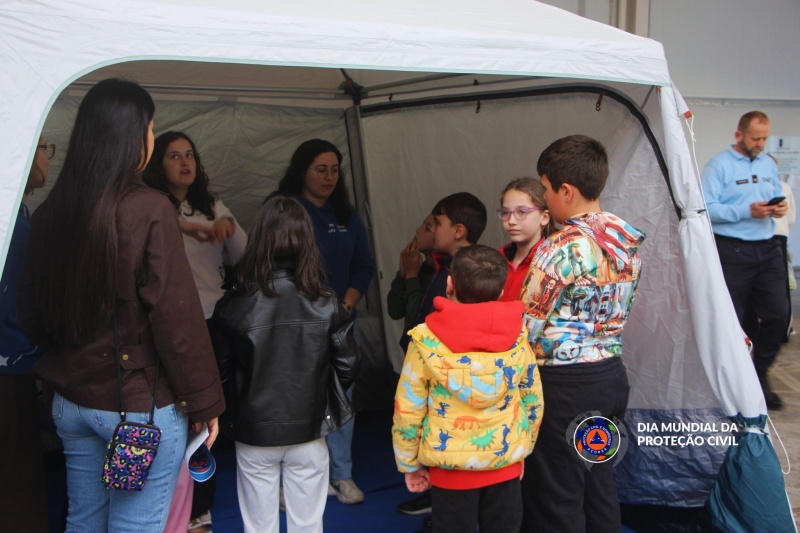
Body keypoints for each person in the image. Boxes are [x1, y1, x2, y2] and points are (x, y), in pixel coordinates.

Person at [18, 78, 225, 533]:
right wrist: (205, 400)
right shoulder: (148, 207)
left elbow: (29, 308)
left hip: (72, 401)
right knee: (135, 525)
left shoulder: (51, 211)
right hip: (135, 409)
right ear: (134, 136)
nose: (151, 137)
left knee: (84, 522)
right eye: (150, 128)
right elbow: (175, 318)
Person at [519, 134, 645, 533]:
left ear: (566, 191)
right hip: (610, 378)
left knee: (558, 493)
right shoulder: (627, 243)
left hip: (564, 386)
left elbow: (527, 324)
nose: (543, 199)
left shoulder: (559, 248)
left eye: (545, 189)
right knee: (598, 481)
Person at [212, 195, 360, 533]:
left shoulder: (232, 306)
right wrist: (322, 404)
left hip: (254, 433)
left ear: (259, 240)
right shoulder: (326, 303)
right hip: (309, 431)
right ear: (307, 241)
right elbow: (349, 366)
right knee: (307, 525)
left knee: (258, 527)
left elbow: (219, 375)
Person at [392, 244, 543, 533]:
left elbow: (407, 408)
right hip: (505, 463)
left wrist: (409, 463)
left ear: (449, 284)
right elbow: (533, 399)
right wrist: (522, 448)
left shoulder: (425, 340)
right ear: (501, 291)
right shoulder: (517, 336)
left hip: (449, 472)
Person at [144, 131, 247, 532]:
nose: (185, 162)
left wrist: (227, 228)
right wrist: (191, 229)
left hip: (213, 322)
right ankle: (169, 512)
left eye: (189, 155)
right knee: (176, 418)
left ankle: (200, 513)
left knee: (208, 420)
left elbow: (246, 254)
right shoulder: (151, 205)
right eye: (174, 155)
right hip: (169, 327)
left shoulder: (212, 205)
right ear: (158, 164)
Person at [276, 139, 374, 504]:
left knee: (342, 400)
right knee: (298, 401)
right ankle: (295, 479)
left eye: (334, 170)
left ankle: (341, 474)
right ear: (302, 171)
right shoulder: (286, 211)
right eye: (321, 169)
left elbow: (363, 266)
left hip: (342, 321)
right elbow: (275, 268)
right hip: (297, 324)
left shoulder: (347, 215)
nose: (329, 177)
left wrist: (345, 305)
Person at [701, 111, 788, 410]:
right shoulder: (718, 166)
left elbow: (775, 193)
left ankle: (759, 374)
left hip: (768, 248)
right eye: (755, 138)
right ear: (739, 135)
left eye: (764, 138)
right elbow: (706, 208)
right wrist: (744, 212)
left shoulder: (768, 164)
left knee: (779, 315)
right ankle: (734, 385)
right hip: (733, 251)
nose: (760, 144)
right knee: (734, 322)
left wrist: (778, 208)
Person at [0, 137, 53, 533]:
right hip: (9, 365)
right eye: (41, 145)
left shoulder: (18, 210)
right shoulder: (9, 216)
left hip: (16, 363)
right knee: (16, 481)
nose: (46, 157)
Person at [386, 213, 437, 353]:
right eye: (422, 224)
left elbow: (420, 319)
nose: (418, 229)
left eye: (427, 228)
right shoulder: (421, 268)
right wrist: (403, 274)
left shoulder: (441, 276)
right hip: (411, 354)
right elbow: (394, 311)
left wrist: (412, 276)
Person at [497, 177, 554, 302]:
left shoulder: (552, 264)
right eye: (506, 213)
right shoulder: (496, 259)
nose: (511, 221)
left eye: (522, 212)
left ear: (544, 217)